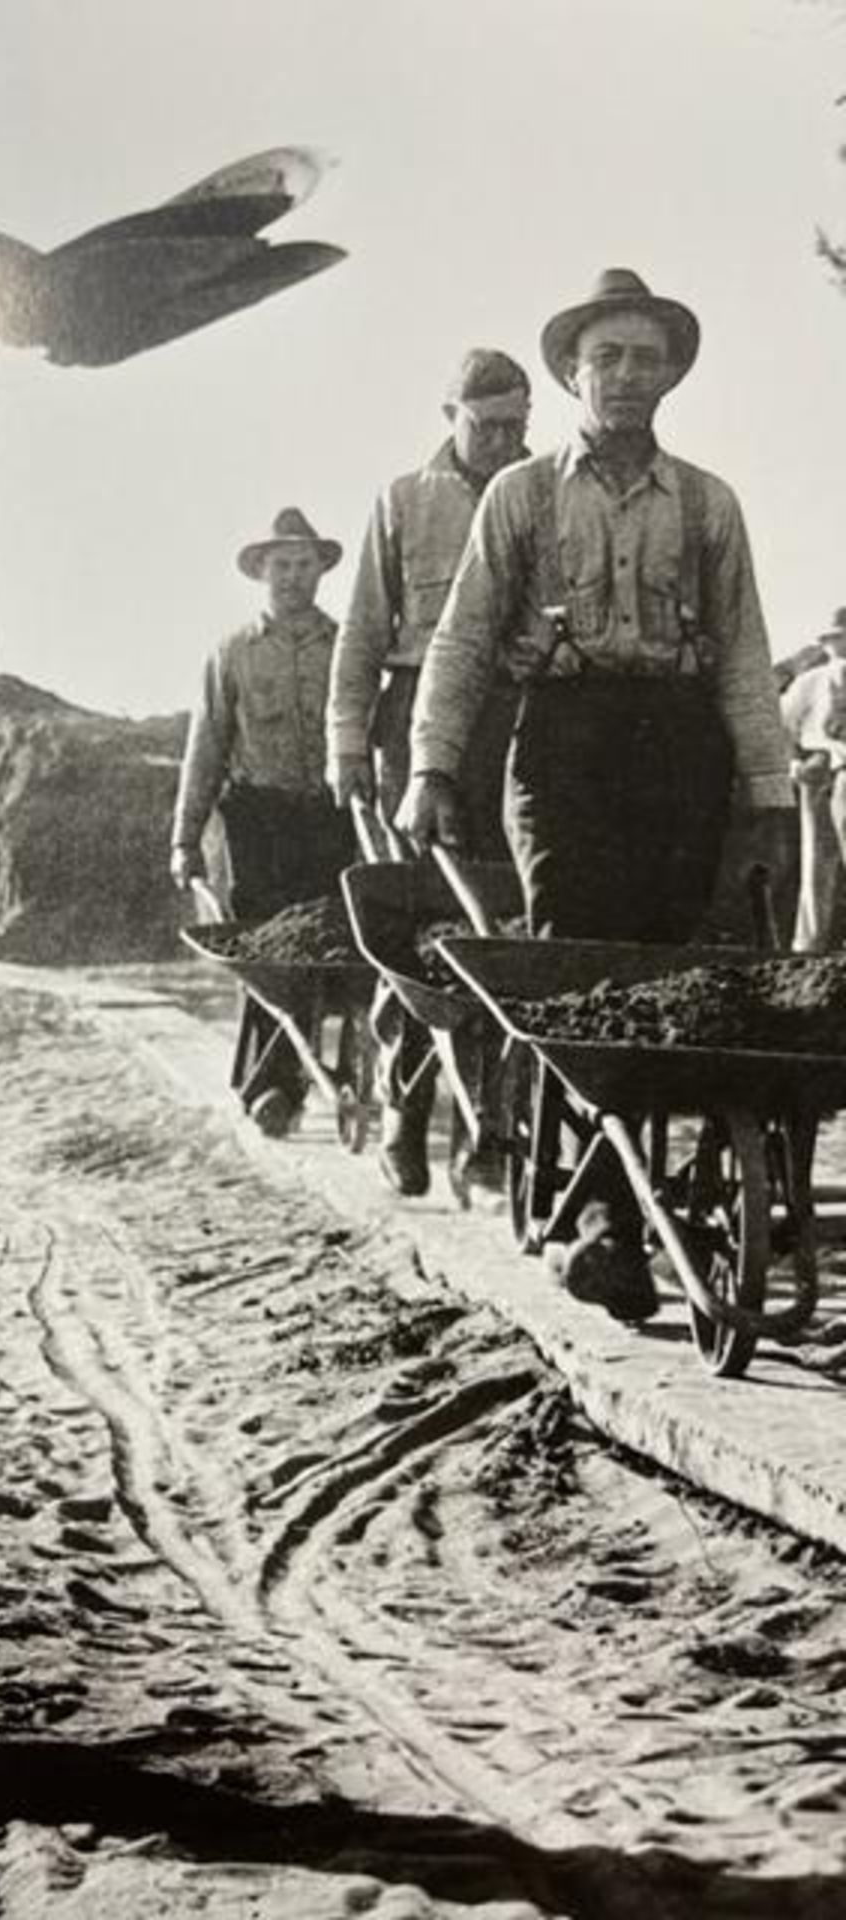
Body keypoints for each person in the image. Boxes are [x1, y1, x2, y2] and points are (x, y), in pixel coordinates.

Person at [400, 268, 794, 1320]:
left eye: (646, 358)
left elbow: (746, 661)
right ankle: (604, 1220)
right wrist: (431, 768)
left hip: (680, 749)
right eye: (606, 357)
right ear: (571, 371)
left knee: (668, 978)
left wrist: (767, 798)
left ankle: (621, 1205)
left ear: (671, 376)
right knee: (578, 973)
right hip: (563, 747)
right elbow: (467, 639)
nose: (626, 376)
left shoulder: (709, 504)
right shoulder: (522, 497)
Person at [326, 349, 529, 1196]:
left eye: (517, 426)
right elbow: (366, 631)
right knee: (423, 932)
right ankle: (406, 1112)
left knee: (507, 928)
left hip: (515, 719)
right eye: (487, 426)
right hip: (414, 724)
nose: (502, 442)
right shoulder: (403, 502)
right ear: (449, 415)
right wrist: (346, 744)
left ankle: (497, 1131)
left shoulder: (541, 492)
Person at [170, 507, 356, 1134]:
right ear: (261, 572)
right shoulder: (232, 654)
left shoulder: (346, 648)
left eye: (304, 565)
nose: (293, 577)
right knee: (268, 951)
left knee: (321, 950)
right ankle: (273, 1086)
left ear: (320, 572)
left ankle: (288, 1079)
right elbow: (206, 749)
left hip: (329, 819)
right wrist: (185, 839)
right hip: (258, 821)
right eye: (282, 565)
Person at [781, 611, 846, 951]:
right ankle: (809, 944)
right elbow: (783, 723)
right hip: (820, 768)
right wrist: (795, 760)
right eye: (835, 638)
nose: (840, 644)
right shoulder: (812, 680)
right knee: (817, 859)